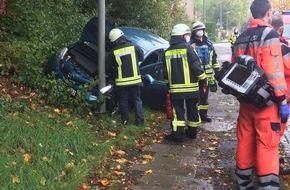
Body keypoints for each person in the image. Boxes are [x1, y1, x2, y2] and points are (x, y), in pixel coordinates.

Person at [231, 0, 290, 189]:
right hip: (267, 104)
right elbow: (274, 72)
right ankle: (268, 186)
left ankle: (243, 183)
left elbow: (235, 70)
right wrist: (282, 100)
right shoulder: (269, 34)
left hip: (247, 102)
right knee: (267, 145)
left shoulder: (241, 37)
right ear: (269, 13)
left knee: (245, 141)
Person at [163, 23, 207, 142]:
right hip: (191, 88)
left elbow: (165, 73)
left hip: (175, 89)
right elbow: (196, 66)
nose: (187, 36)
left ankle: (178, 135)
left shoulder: (167, 52)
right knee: (192, 109)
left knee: (177, 112)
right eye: (186, 34)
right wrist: (203, 79)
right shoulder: (188, 48)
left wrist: (168, 85)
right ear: (182, 35)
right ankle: (192, 133)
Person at [106, 28, 144, 126]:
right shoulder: (133, 46)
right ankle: (140, 121)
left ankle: (125, 121)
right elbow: (142, 57)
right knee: (137, 100)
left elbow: (107, 67)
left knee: (123, 101)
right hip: (135, 80)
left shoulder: (113, 51)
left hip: (122, 82)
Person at [190, 21, 220, 123]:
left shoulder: (209, 44)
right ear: (194, 32)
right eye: (198, 30)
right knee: (195, 98)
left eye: (201, 30)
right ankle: (195, 116)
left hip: (207, 77)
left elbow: (214, 59)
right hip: (195, 77)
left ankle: (204, 115)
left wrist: (217, 71)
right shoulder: (190, 45)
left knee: (204, 97)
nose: (200, 32)